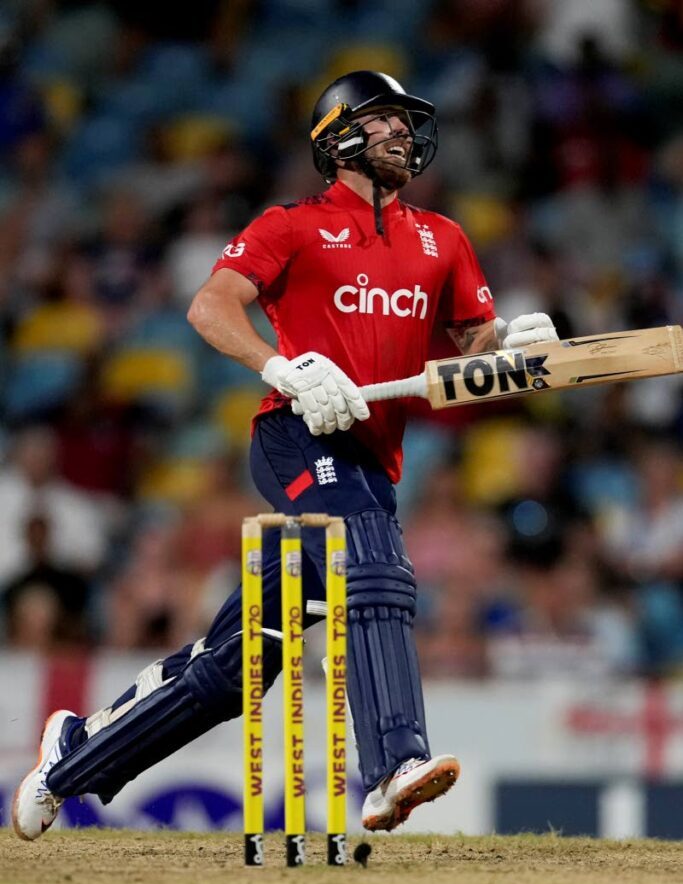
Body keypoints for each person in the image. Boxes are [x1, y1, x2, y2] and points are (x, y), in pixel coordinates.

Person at [13, 70, 558, 841]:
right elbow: (210, 306)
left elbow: (470, 348)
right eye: (383, 121)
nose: (402, 132)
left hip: (369, 455)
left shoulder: (443, 238)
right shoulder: (294, 225)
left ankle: (71, 759)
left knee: (242, 663)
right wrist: (281, 368)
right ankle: (396, 763)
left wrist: (512, 345)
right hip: (296, 433)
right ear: (337, 138)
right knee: (369, 558)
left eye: (406, 121)